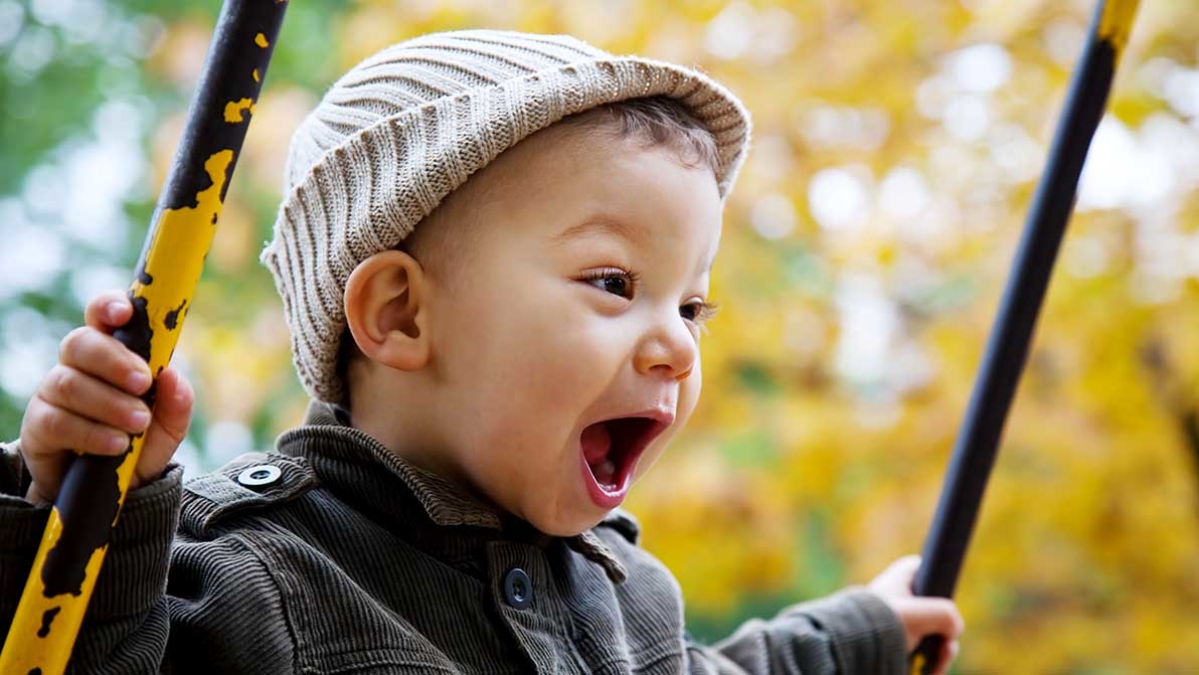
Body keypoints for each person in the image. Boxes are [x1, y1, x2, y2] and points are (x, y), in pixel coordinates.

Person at [1, 29, 963, 674]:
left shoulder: (628, 599)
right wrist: (76, 512)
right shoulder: (258, 574)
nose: (675, 342)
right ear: (402, 316)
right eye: (615, 284)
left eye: (694, 304)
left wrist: (864, 632)